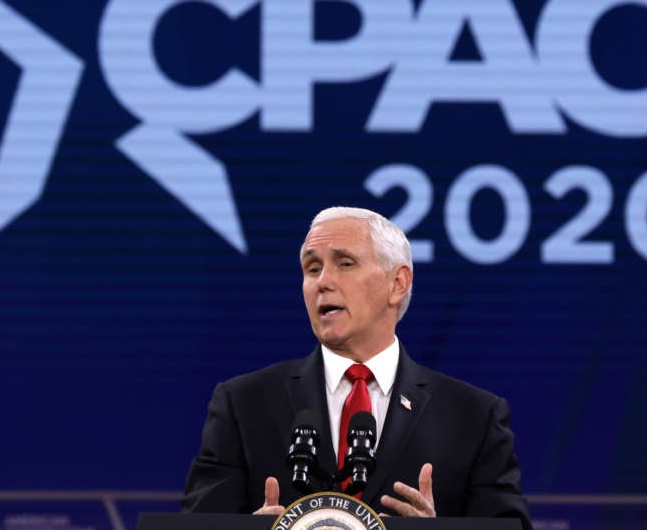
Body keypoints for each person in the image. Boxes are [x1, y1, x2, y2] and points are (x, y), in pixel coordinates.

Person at [180, 207, 532, 527]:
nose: (323, 282)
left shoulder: (474, 416)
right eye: (312, 268)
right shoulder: (244, 404)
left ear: (398, 284)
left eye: (345, 264)